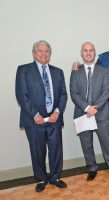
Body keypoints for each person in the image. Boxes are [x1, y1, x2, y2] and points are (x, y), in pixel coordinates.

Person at [15, 40, 68, 192]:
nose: (44, 54)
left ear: (50, 54)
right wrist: (35, 114)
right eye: (40, 51)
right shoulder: (23, 70)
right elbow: (22, 95)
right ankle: (41, 179)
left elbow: (63, 95)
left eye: (47, 51)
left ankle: (55, 177)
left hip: (54, 119)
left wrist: (57, 111)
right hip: (34, 121)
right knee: (37, 151)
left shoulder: (58, 72)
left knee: (56, 149)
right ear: (34, 53)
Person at [70, 42, 109, 181]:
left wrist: (95, 108)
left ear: (95, 53)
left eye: (91, 50)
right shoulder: (76, 71)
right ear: (82, 53)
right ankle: (92, 167)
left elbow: (106, 92)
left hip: (101, 113)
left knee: (107, 141)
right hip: (82, 113)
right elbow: (74, 92)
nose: (88, 53)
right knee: (86, 143)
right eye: (85, 50)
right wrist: (87, 108)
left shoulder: (104, 71)